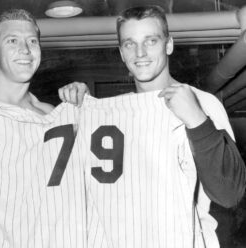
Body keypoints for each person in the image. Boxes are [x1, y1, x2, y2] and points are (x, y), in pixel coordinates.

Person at [59, 6, 246, 248]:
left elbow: (229, 193)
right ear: (121, 53)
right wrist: (77, 105)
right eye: (129, 44)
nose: (140, 53)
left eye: (151, 41)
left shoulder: (202, 103)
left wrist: (197, 121)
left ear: (168, 45)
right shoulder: (115, 113)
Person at [0, 9, 87, 247]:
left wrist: (85, 111)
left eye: (32, 41)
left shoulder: (50, 115)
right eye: (12, 41)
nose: (25, 50)